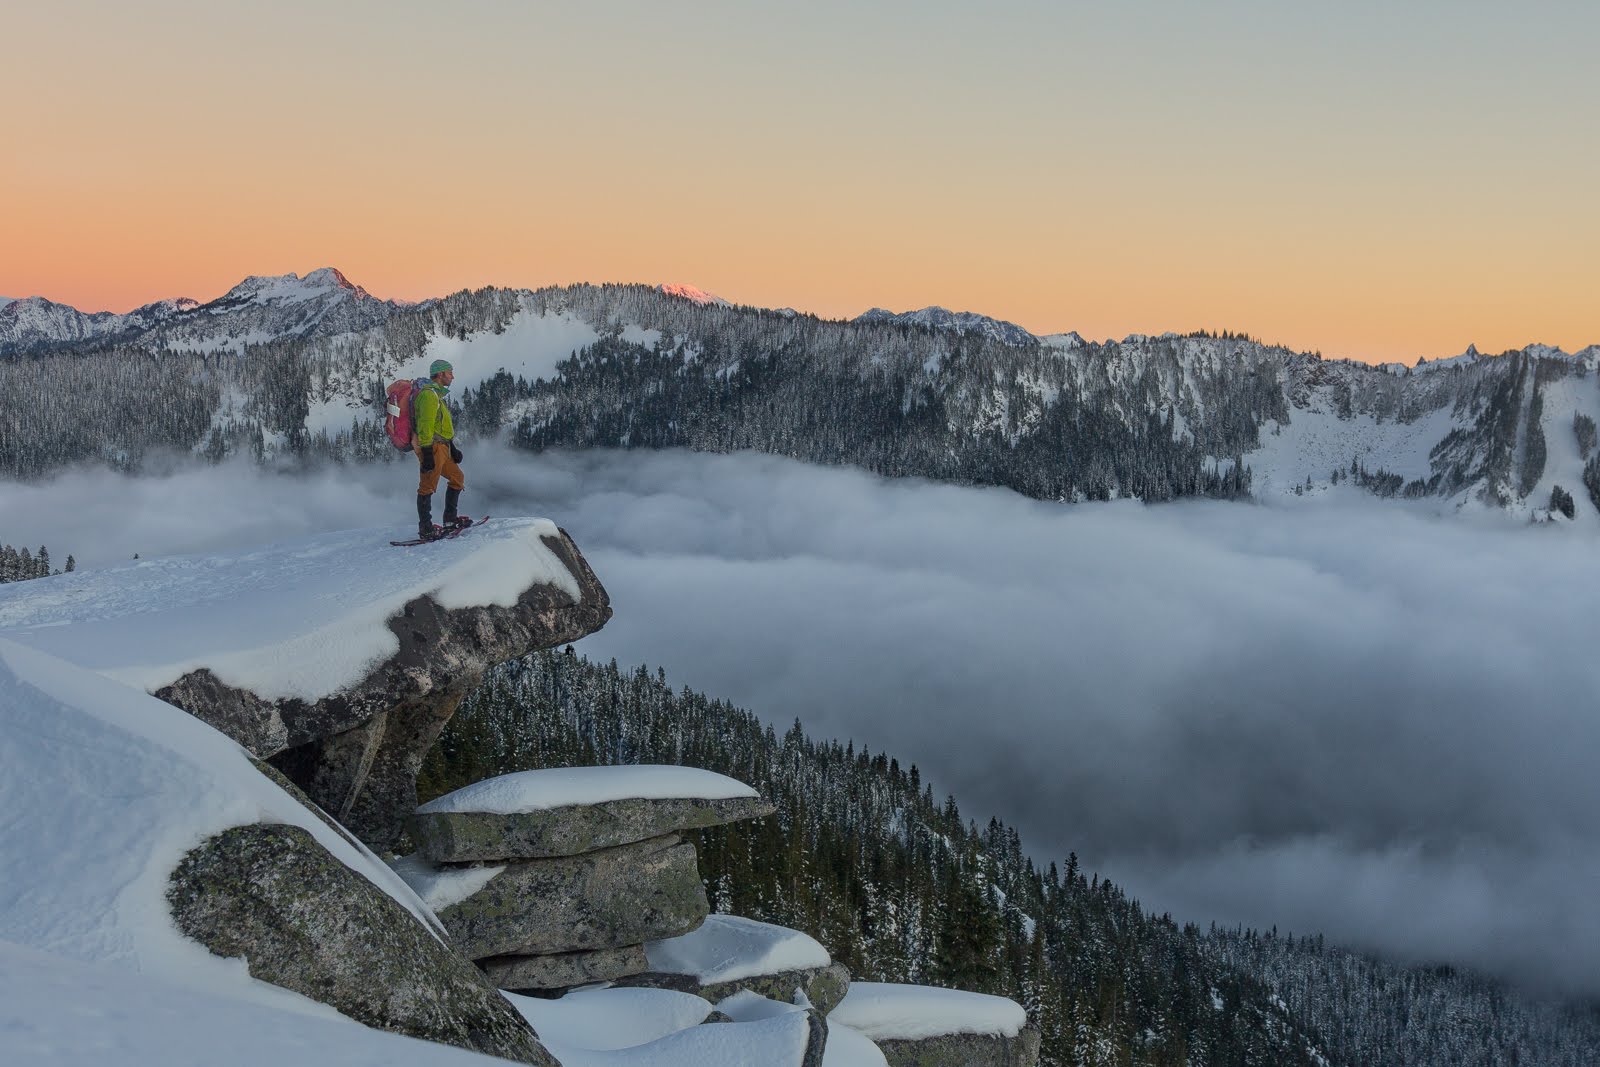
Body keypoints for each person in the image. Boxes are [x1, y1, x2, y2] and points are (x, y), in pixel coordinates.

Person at [414, 358, 468, 540]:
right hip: (433, 448)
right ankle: (426, 528)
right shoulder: (429, 396)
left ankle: (450, 520)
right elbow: (425, 426)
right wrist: (427, 453)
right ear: (440, 374)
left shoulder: (437, 396)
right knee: (427, 486)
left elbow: (440, 426)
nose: (452, 376)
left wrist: (452, 448)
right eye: (449, 372)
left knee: (457, 478)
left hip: (443, 447)